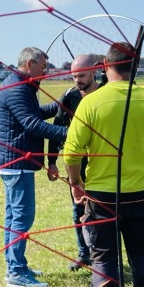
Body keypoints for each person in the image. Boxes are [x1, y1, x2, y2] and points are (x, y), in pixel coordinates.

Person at [64, 42, 144, 287]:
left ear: (106, 64)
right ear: (135, 66)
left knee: (104, 256)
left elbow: (71, 153)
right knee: (142, 254)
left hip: (103, 195)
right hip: (141, 193)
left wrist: (76, 183)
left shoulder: (91, 102)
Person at [0, 47, 68, 287]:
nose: (46, 71)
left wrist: (58, 107)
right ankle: (16, 271)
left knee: (13, 217)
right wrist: (71, 133)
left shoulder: (21, 85)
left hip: (13, 162)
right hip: (16, 163)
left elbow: (32, 114)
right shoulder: (18, 87)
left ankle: (15, 266)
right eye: (43, 66)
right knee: (22, 218)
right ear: (29, 63)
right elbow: (32, 124)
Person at [47, 55, 102, 271]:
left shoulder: (105, 93)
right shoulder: (69, 97)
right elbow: (55, 130)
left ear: (93, 72)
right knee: (77, 210)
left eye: (81, 75)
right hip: (77, 164)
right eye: (73, 76)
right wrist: (51, 162)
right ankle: (84, 254)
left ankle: (104, 257)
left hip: (102, 164)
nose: (77, 80)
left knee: (103, 212)